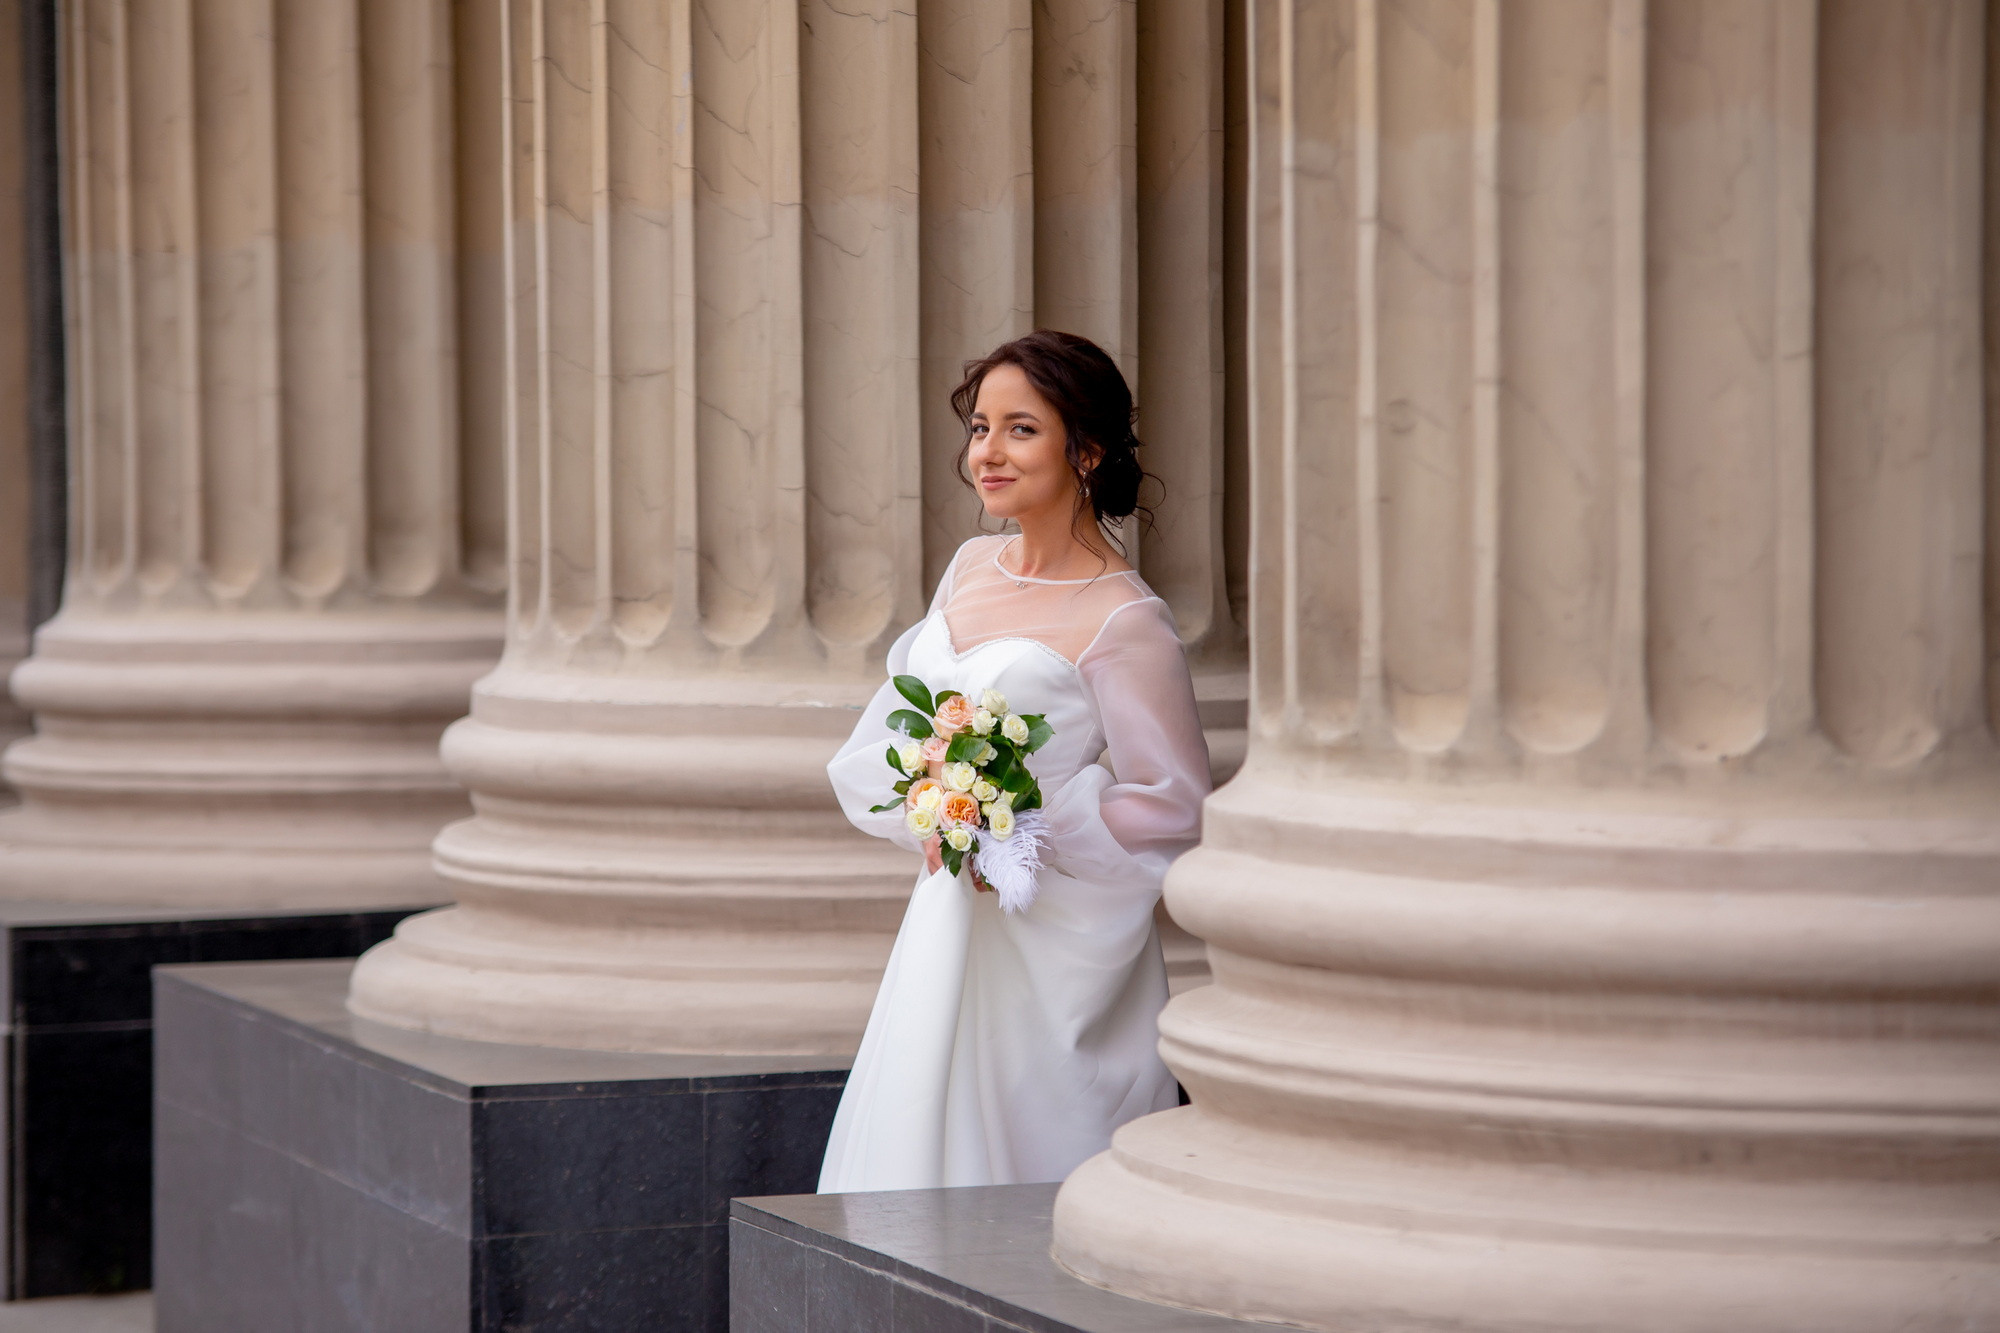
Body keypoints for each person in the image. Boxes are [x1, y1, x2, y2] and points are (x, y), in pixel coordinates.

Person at [818, 330, 1211, 1192]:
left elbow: (1174, 802)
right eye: (980, 427)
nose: (986, 453)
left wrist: (1022, 825)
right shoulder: (966, 568)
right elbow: (902, 722)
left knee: (1030, 1136)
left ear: (1088, 451)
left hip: (1054, 940)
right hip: (950, 912)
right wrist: (936, 804)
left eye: (1021, 429)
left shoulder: (1125, 616)